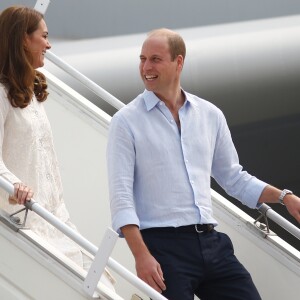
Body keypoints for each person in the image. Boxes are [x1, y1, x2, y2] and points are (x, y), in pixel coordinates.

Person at [106, 28, 300, 300]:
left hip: (212, 243)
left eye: (155, 59)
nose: (146, 67)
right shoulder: (126, 122)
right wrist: (142, 256)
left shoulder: (210, 115)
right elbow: (121, 198)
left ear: (179, 62)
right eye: (142, 59)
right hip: (163, 249)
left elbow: (234, 178)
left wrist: (284, 197)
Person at [0, 6, 115, 289]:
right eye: (44, 36)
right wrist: (13, 185)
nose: (49, 44)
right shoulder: (1, 94)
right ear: (24, 40)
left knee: (105, 284)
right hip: (26, 216)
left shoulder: (32, 95)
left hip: (55, 216)